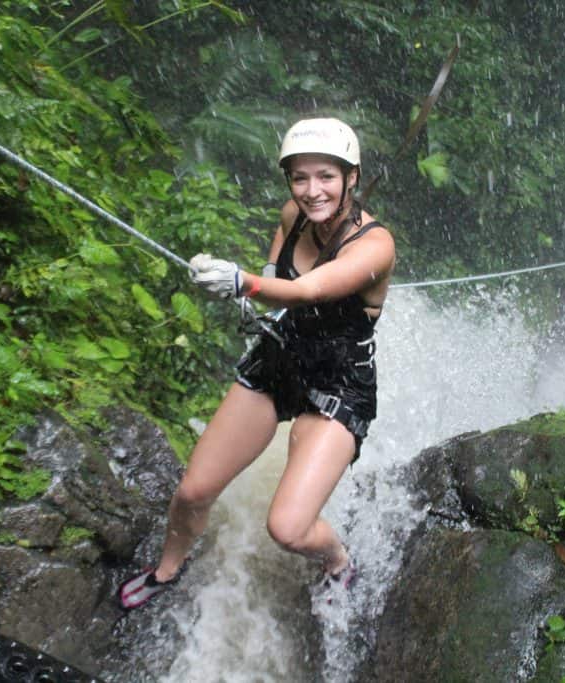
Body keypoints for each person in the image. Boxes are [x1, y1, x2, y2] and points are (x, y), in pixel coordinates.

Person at [119, 118, 395, 609]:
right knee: (193, 490)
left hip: (338, 381)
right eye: (300, 177)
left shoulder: (376, 246)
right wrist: (250, 284)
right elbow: (280, 290)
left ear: (352, 177)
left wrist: (242, 282)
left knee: (287, 528)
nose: (312, 192)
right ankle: (166, 570)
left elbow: (310, 289)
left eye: (326, 177)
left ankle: (337, 559)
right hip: (281, 354)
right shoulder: (294, 216)